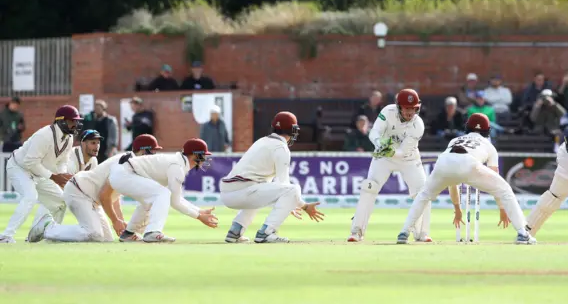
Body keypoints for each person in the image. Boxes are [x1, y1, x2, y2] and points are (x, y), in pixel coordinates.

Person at [397, 113, 536, 245]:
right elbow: (496, 181)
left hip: (443, 162)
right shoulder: (489, 146)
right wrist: (502, 208)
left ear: (467, 128)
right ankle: (523, 233)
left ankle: (404, 232)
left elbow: (452, 183)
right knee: (505, 189)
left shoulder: (455, 140)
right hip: (469, 164)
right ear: (487, 131)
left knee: (423, 195)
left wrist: (457, 208)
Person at [26, 135, 163, 243]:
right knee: (94, 234)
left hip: (91, 198)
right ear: (142, 150)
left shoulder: (135, 165)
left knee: (106, 239)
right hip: (78, 191)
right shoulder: (126, 163)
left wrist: (123, 226)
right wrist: (115, 221)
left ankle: (54, 238)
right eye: (152, 151)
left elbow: (114, 197)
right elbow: (105, 195)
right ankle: (48, 227)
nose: (154, 156)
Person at [221, 111, 324, 243]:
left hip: (228, 193)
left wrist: (290, 203)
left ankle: (235, 231)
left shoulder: (262, 141)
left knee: (259, 189)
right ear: (292, 130)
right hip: (242, 192)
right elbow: (284, 185)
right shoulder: (281, 148)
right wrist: (303, 206)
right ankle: (266, 233)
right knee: (293, 189)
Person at [348, 89, 432, 243]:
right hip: (383, 157)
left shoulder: (418, 125)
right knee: (369, 187)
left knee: (422, 192)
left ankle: (421, 233)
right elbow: (374, 133)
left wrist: (388, 150)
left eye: (413, 108)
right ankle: (356, 231)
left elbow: (401, 152)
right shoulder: (387, 111)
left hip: (409, 158)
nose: (410, 112)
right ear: (399, 106)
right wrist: (380, 144)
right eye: (407, 108)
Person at [106, 138, 218, 242]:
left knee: (152, 200)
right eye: (203, 155)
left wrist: (199, 211)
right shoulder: (177, 166)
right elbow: (175, 202)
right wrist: (199, 216)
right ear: (195, 155)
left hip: (121, 174)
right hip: (124, 174)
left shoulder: (178, 164)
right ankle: (153, 232)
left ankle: (128, 233)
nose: (205, 158)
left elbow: (176, 198)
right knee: (162, 193)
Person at [0, 105, 82, 244]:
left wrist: (61, 176)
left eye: (76, 121)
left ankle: (43, 237)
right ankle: (5, 236)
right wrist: (53, 177)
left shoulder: (68, 138)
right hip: (20, 168)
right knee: (30, 196)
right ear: (61, 121)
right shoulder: (44, 135)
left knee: (61, 201)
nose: (75, 124)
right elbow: (29, 162)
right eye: (72, 121)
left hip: (41, 172)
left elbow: (63, 161)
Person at [28, 129, 102, 232]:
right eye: (93, 143)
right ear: (83, 143)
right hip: (44, 177)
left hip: (57, 182)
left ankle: (46, 232)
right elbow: (65, 184)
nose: (97, 146)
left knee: (61, 203)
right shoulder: (72, 159)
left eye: (98, 143)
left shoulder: (93, 160)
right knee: (57, 201)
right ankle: (37, 232)